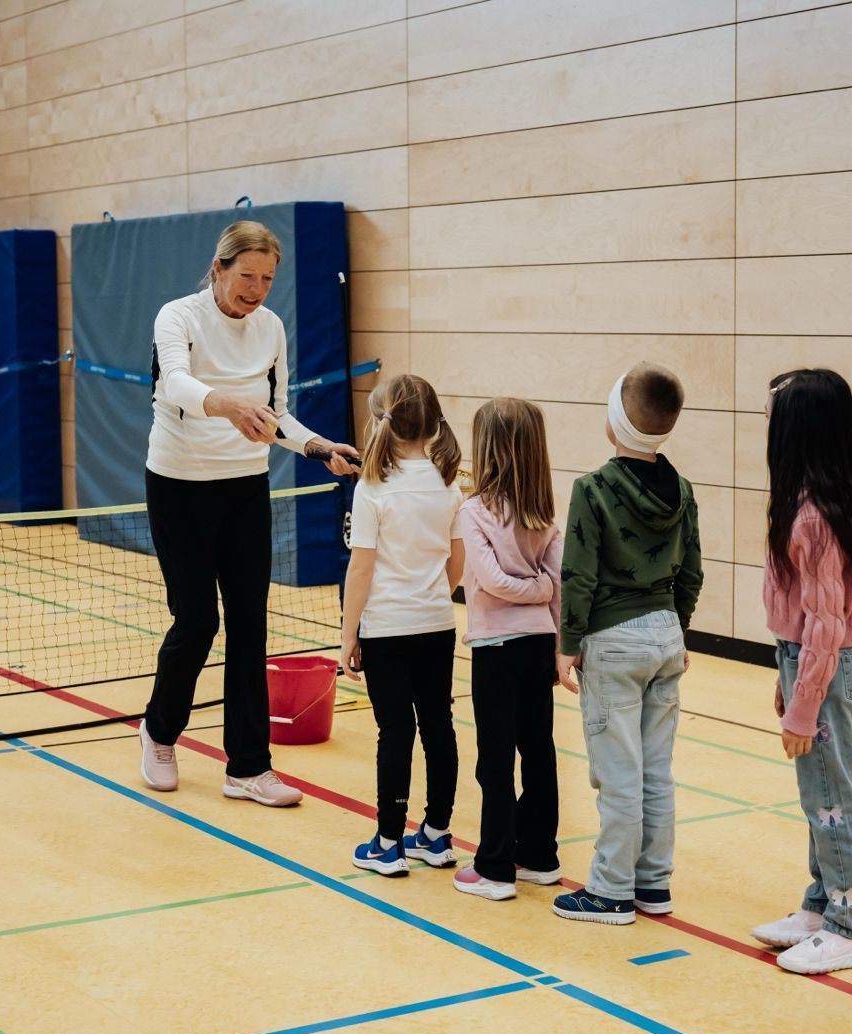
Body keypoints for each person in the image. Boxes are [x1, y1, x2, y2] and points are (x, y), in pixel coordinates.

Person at [138, 220, 359, 807]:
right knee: (196, 622)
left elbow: (278, 413)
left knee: (249, 624)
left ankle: (248, 768)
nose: (256, 289)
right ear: (218, 268)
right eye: (246, 276)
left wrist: (318, 447)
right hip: (179, 486)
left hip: (244, 488)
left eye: (267, 279)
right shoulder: (178, 317)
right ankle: (159, 731)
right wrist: (228, 405)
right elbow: (175, 384)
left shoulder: (271, 327)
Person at [553, 362, 702, 924]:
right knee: (655, 772)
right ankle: (652, 884)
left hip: (612, 642)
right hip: (665, 635)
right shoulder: (682, 490)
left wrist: (568, 642)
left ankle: (611, 890)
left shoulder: (591, 489)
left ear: (614, 419)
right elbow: (692, 572)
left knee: (618, 774)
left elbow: (579, 574)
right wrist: (677, 627)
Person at [749, 368, 852, 974]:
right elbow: (806, 619)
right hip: (809, 660)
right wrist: (788, 675)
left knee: (831, 797)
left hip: (824, 663)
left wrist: (804, 702)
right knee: (818, 793)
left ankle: (848, 925)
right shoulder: (807, 504)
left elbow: (826, 627)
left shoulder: (814, 517)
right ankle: (822, 903)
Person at [340, 374, 464, 876]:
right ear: (433, 425)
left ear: (382, 423)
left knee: (395, 730)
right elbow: (457, 561)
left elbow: (361, 568)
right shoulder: (448, 483)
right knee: (438, 724)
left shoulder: (371, 488)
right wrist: (432, 596)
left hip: (387, 629)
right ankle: (435, 835)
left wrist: (348, 633)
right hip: (437, 624)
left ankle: (388, 843)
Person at [451, 398, 563, 901]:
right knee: (537, 751)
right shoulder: (544, 512)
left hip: (498, 650)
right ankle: (538, 856)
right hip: (536, 644)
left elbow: (496, 582)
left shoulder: (474, 510)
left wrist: (538, 593)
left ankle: (495, 867)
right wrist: (544, 602)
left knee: (497, 759)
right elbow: (553, 585)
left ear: (487, 448)